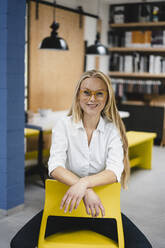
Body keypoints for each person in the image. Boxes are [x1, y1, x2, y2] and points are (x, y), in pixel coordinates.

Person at [10, 70, 152, 248]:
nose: (92, 98)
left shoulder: (112, 129)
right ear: (78, 95)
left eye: (99, 93)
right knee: (19, 243)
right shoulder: (64, 125)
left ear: (107, 97)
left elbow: (114, 171)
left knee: (142, 246)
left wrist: (82, 184)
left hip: (100, 210)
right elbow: (55, 166)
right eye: (86, 92)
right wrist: (86, 190)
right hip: (65, 208)